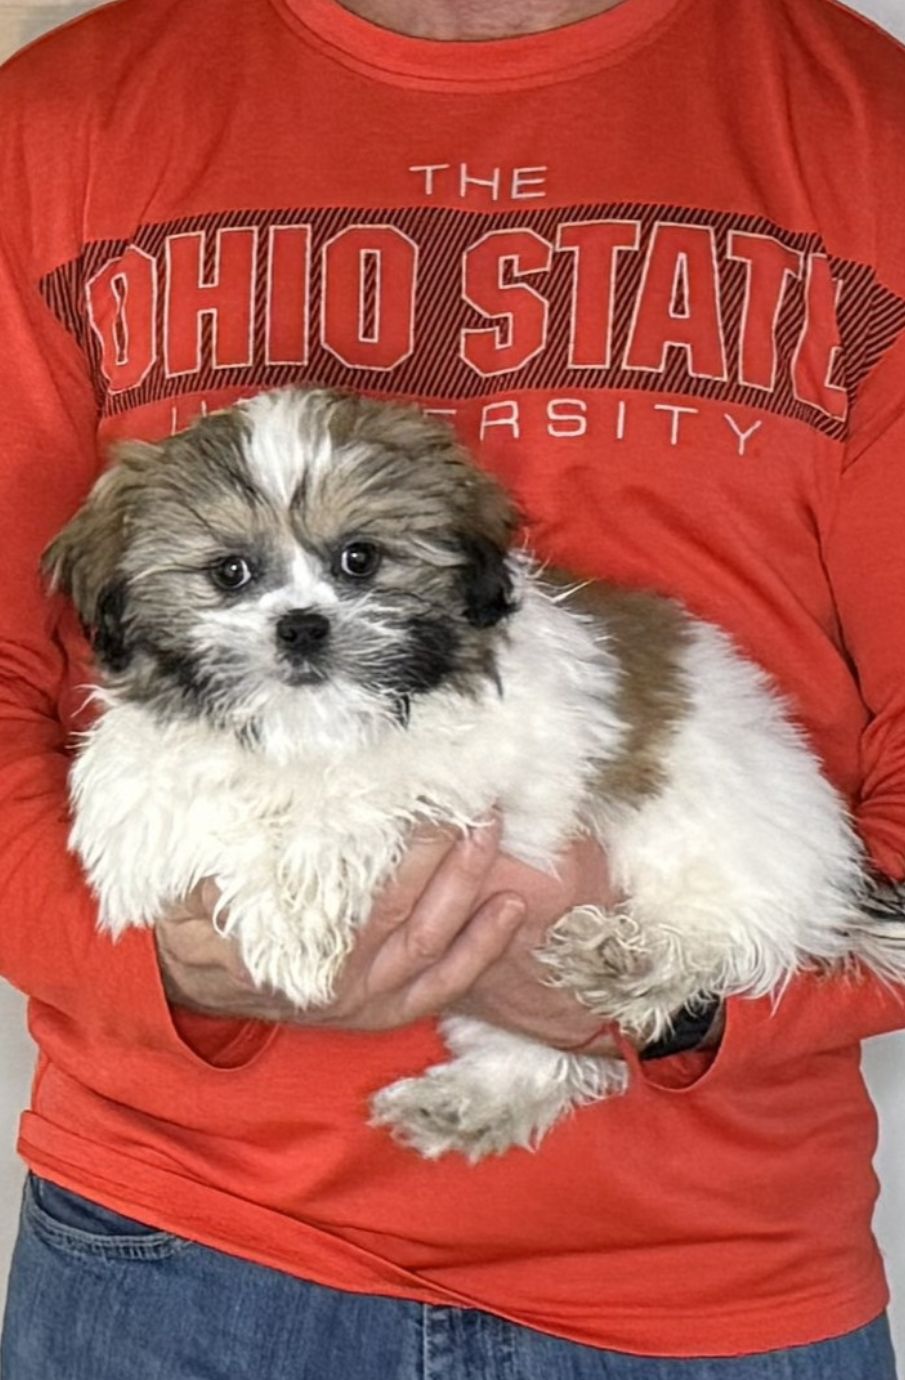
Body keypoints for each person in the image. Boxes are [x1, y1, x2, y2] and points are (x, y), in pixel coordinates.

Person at [0, 0, 904, 1374]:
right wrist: (158, 963)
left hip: (709, 1269)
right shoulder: (62, 119)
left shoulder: (857, 124)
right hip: (175, 1248)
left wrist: (685, 996)